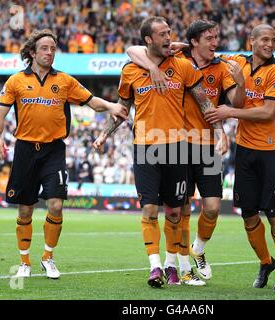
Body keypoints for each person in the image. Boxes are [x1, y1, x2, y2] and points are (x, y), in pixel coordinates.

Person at [93, 16, 227, 288]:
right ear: (148, 40)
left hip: (177, 148)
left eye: (170, 33)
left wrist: (219, 129)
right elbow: (122, 109)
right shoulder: (130, 70)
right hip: (145, 148)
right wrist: (104, 134)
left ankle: (171, 265)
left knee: (175, 212)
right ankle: (155, 267)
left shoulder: (182, 66)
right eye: (162, 34)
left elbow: (204, 101)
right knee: (150, 209)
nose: (168, 37)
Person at [0, 29, 128, 279]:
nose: (50, 52)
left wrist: (110, 105)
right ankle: (24, 262)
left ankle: (48, 257)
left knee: (55, 204)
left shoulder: (64, 81)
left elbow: (91, 101)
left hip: (54, 150)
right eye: (44, 48)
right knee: (25, 210)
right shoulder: (15, 81)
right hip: (25, 150)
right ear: (32, 52)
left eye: (53, 48)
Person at [125, 19, 245, 285]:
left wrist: (221, 127)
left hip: (204, 142)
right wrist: (153, 67)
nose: (215, 42)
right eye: (210, 38)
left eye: (216, 37)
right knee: (180, 209)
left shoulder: (223, 65)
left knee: (212, 207)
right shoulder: (176, 54)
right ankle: (178, 267)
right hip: (178, 142)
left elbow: (234, 101)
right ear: (194, 42)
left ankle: (198, 250)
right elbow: (133, 49)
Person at [205, 24, 275, 292]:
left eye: (274, 40)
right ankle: (266, 263)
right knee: (248, 214)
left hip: (272, 152)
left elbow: (267, 112)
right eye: (265, 39)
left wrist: (229, 113)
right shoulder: (238, 62)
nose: (270, 44)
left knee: (274, 213)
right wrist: (181, 47)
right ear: (251, 40)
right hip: (244, 150)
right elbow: (210, 54)